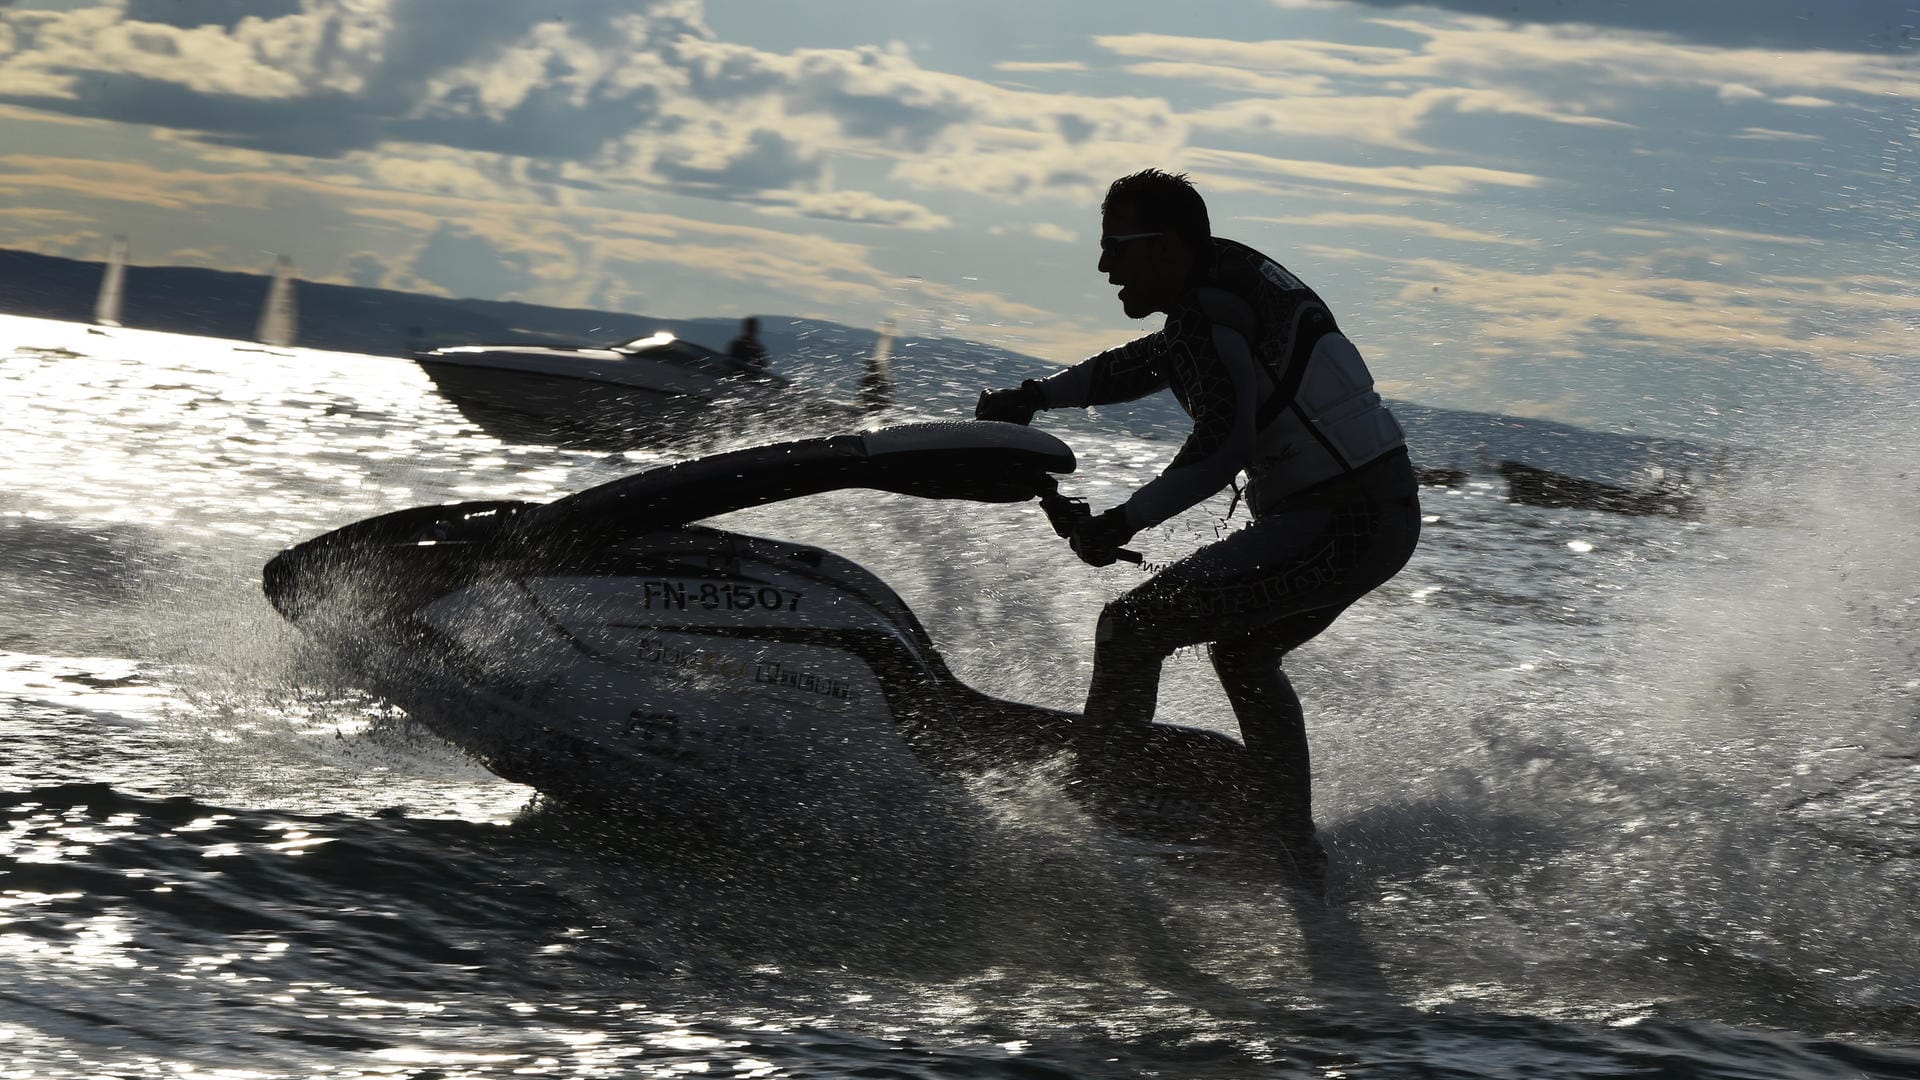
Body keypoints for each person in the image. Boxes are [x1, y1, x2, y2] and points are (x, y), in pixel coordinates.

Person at [974, 169, 1421, 881]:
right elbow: (1149, 363)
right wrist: (1037, 397)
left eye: (1115, 245)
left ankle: (1102, 826)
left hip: (1342, 522)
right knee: (1241, 655)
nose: (1103, 265)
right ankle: (1292, 853)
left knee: (1130, 630)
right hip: (1379, 517)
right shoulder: (1218, 291)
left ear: (1165, 247)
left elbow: (1223, 447)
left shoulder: (1214, 318)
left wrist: (1123, 520)